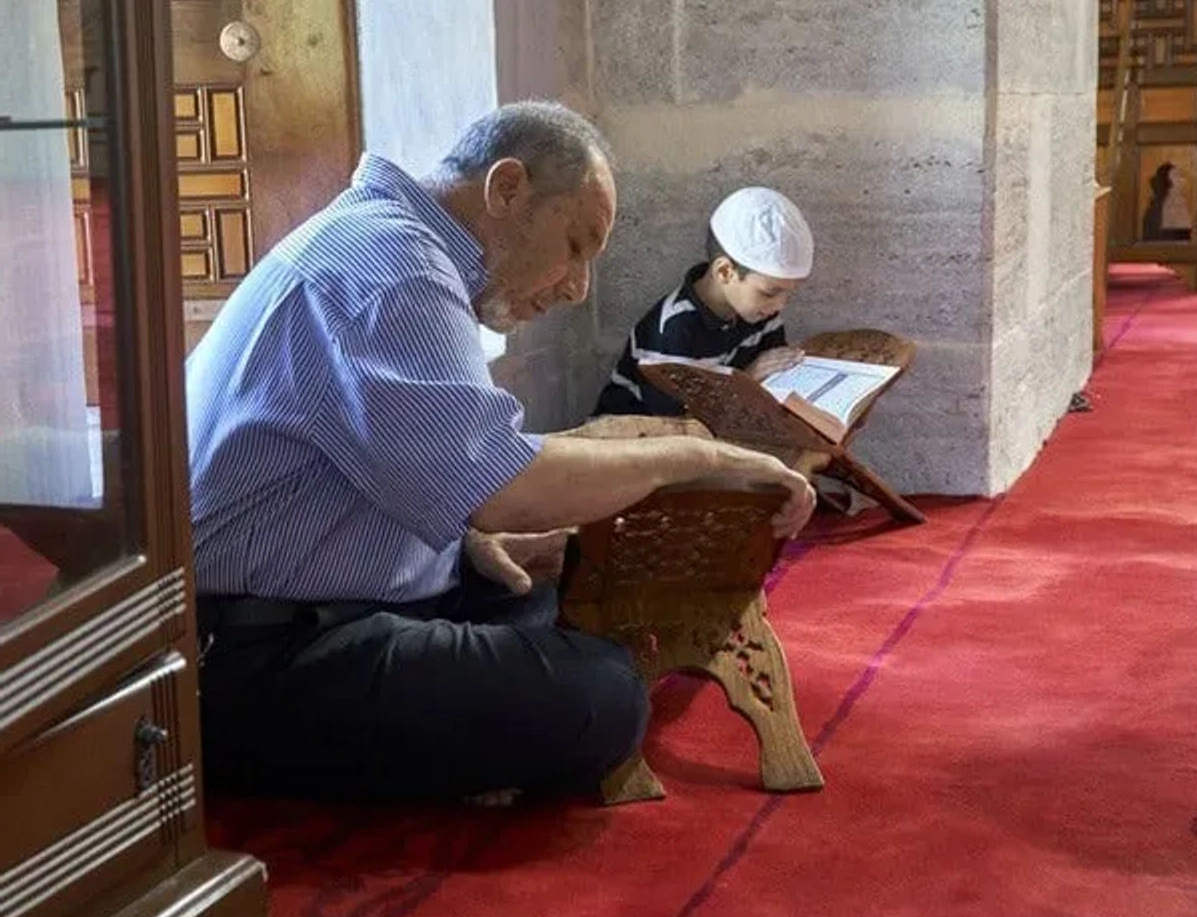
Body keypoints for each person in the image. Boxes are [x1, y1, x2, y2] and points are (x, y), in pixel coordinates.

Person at [185, 101, 816, 804]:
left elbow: (419, 463)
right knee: (605, 695)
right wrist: (697, 457)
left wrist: (467, 540)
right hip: (256, 655)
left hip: (318, 605)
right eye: (575, 246)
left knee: (537, 591)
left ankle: (460, 756)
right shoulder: (393, 269)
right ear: (507, 187)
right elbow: (507, 489)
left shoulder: (397, 246)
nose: (577, 287)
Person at [593, 186, 814, 417]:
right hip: (636, 434)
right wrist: (747, 381)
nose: (780, 305)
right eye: (769, 293)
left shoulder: (762, 315)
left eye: (789, 294)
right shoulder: (673, 330)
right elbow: (680, 425)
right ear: (725, 272)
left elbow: (776, 381)